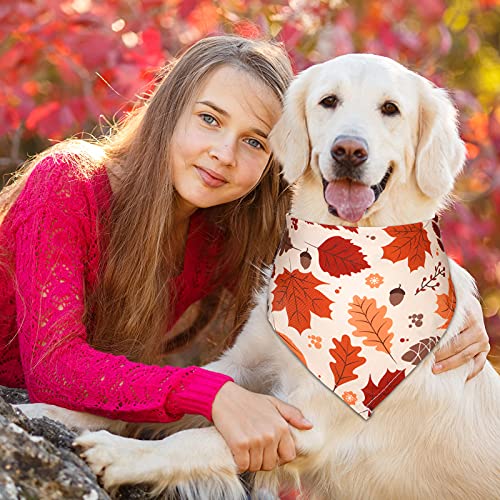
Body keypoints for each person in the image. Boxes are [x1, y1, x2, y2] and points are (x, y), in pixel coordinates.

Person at [0, 34, 491, 474]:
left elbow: (366, 252)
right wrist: (214, 395)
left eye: (254, 140)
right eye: (209, 119)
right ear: (167, 111)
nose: (224, 153)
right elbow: (55, 367)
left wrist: (450, 296)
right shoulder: (67, 184)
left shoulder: (227, 224)